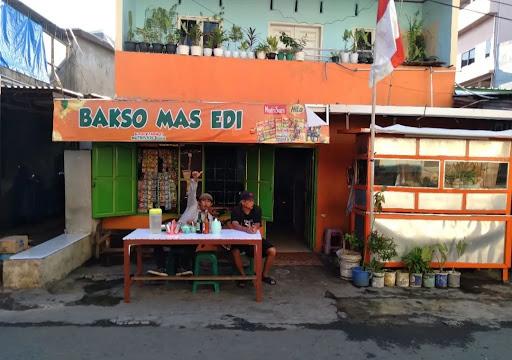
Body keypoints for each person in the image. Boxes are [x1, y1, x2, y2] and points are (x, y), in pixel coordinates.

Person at [153, 171, 215, 276]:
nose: (205, 203)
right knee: (156, 241)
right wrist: (195, 180)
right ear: (199, 201)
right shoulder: (192, 205)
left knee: (188, 248)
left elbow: (207, 230)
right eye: (203, 200)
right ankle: (161, 267)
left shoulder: (209, 217)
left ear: (211, 204)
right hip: (177, 233)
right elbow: (192, 193)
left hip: (190, 239)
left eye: (208, 201)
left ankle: (184, 269)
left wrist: (195, 224)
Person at [230, 191, 277, 286]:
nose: (252, 203)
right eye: (250, 201)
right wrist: (245, 229)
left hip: (254, 239)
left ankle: (264, 275)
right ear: (243, 202)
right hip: (240, 239)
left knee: (272, 251)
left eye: (253, 200)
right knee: (235, 251)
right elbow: (234, 224)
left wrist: (255, 228)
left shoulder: (257, 209)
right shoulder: (236, 210)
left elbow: (257, 223)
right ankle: (243, 277)